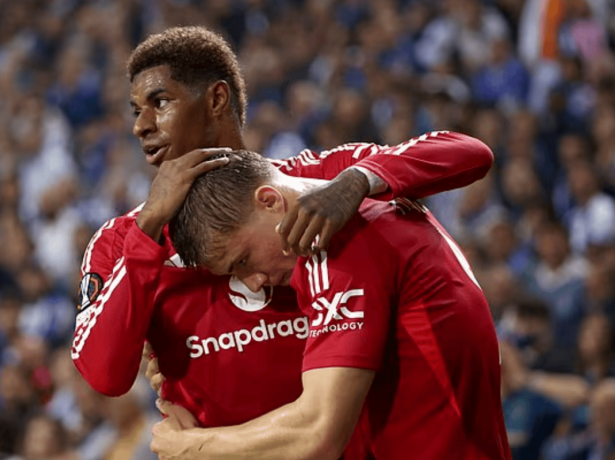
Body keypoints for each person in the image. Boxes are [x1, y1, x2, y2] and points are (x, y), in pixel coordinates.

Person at [71, 25, 495, 448]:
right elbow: (105, 376)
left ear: (216, 100)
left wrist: (357, 182)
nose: (141, 126)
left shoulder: (311, 183)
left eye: (159, 102)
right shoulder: (123, 239)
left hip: (328, 441)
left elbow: (468, 152)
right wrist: (147, 233)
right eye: (135, 111)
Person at [154, 149, 510, 460]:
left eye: (243, 260)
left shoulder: (335, 250)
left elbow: (316, 434)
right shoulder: (376, 204)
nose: (254, 281)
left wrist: (191, 447)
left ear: (269, 201)